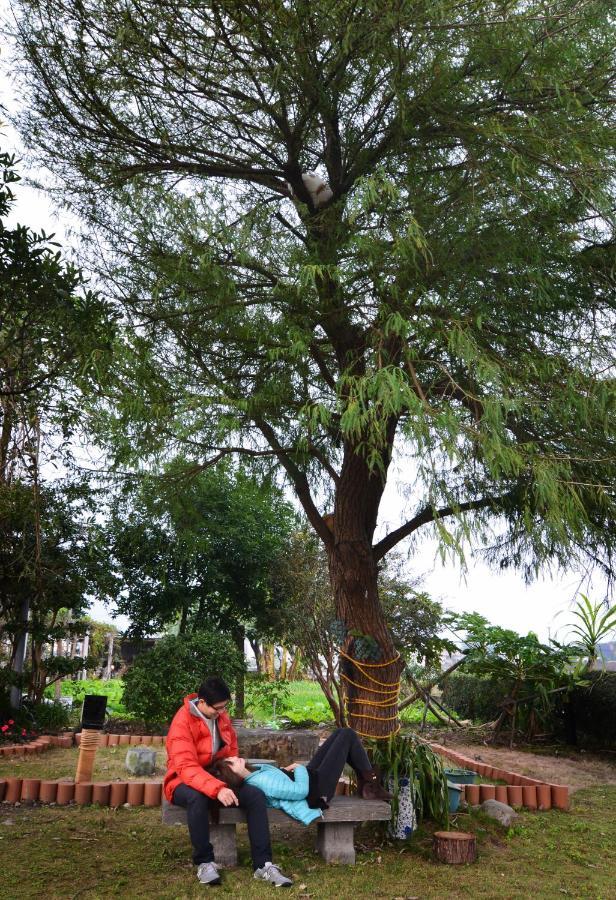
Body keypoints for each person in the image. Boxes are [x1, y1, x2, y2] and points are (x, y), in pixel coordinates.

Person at [164, 676, 293, 888]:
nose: (222, 713)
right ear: (202, 702)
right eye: (217, 708)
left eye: (224, 708)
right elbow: (186, 767)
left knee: (254, 795)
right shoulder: (182, 722)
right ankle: (204, 862)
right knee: (197, 798)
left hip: (217, 776)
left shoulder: (220, 716)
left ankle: (263, 865)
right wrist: (218, 789)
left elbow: (230, 747)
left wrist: (234, 767)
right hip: (182, 780)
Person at [213, 726, 392, 822]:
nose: (234, 758)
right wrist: (299, 768)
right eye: (231, 763)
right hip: (316, 791)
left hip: (310, 779)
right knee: (346, 735)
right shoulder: (261, 782)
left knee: (340, 733)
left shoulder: (253, 774)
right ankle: (370, 784)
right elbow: (299, 791)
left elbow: (279, 778)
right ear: (233, 775)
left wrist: (291, 770)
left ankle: (368, 783)